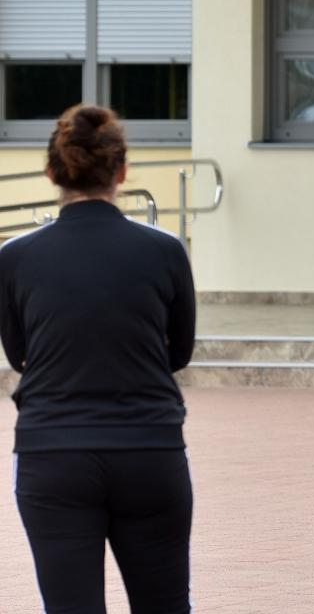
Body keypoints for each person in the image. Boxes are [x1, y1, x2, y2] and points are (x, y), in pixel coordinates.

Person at [0, 104, 196, 612]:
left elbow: (20, 354)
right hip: (150, 452)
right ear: (122, 171)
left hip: (53, 457)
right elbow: (181, 350)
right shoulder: (165, 250)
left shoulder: (15, 257)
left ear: (51, 172)